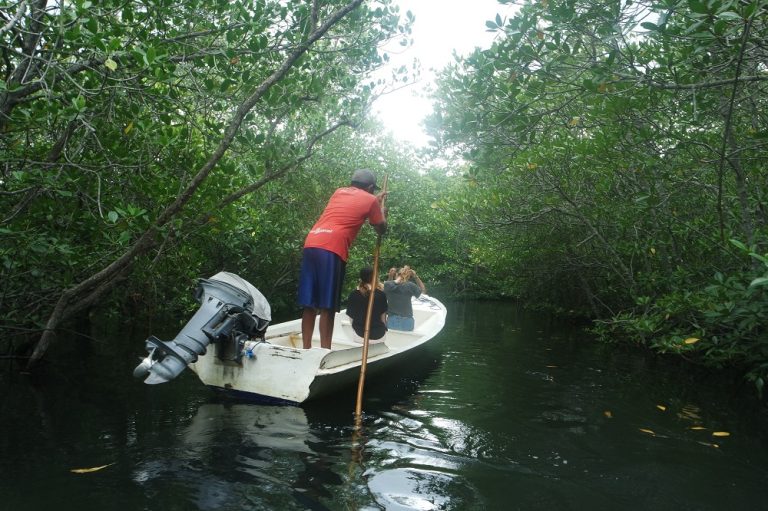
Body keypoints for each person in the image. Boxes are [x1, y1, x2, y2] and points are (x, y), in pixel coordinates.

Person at [298, 169, 387, 349]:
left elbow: (356, 203)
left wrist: (375, 202)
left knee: (309, 304)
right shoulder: (371, 200)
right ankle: (325, 351)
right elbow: (381, 228)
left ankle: (306, 348)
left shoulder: (339, 192)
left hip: (312, 242)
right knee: (328, 306)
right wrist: (382, 211)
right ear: (370, 187)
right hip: (332, 247)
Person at [345, 266, 388, 343]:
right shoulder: (381, 295)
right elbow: (383, 319)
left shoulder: (353, 295)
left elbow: (351, 318)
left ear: (361, 278)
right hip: (379, 335)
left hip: (360, 335)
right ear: (375, 278)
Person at [383, 265, 426, 331]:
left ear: (396, 274)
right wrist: (416, 277)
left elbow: (388, 286)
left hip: (393, 321)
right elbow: (423, 290)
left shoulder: (387, 285)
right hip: (408, 322)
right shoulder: (410, 285)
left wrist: (391, 276)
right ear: (408, 276)